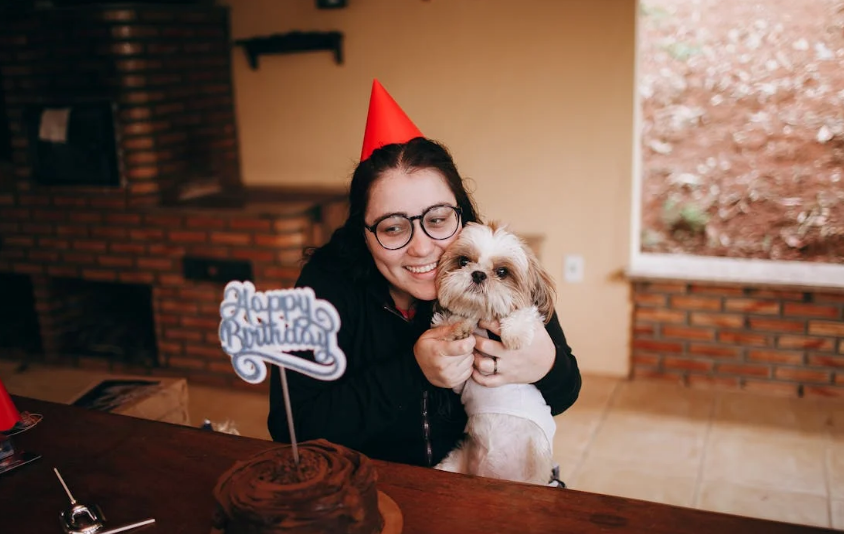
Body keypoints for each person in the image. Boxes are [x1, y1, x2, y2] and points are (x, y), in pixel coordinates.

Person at [267, 80, 581, 468]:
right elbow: (290, 428)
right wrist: (413, 371)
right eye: (393, 227)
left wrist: (547, 364)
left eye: (437, 219)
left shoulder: (495, 265)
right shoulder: (325, 287)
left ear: (461, 215)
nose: (421, 247)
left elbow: (566, 392)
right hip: (374, 484)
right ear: (362, 232)